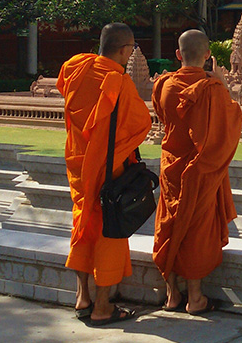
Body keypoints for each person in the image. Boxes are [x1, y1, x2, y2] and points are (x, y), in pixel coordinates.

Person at [56, 22, 151, 326]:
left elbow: (62, 85)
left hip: (78, 162)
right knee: (108, 232)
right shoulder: (119, 83)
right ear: (124, 51)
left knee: (82, 225)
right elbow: (140, 126)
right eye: (131, 49)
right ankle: (101, 307)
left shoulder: (76, 67)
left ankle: (82, 296)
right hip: (107, 170)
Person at [152, 29, 242, 316]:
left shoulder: (164, 85)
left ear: (178, 55)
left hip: (171, 168)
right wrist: (223, 86)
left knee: (169, 224)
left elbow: (162, 117)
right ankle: (195, 298)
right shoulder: (212, 90)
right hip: (200, 171)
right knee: (196, 230)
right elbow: (228, 125)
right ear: (207, 56)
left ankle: (171, 295)